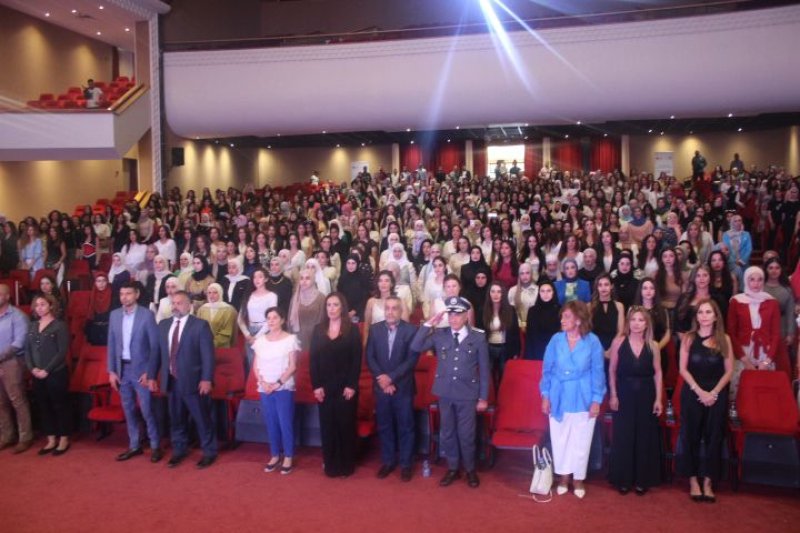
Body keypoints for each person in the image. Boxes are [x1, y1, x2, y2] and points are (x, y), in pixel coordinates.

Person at [410, 296, 490, 489]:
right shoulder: (440, 334)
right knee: (447, 433)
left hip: (467, 394)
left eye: (458, 314)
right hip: (445, 393)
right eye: (450, 314)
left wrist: (483, 397)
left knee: (466, 434)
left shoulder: (478, 337)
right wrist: (429, 324)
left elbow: (484, 369)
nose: (453, 318)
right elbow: (415, 346)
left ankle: (470, 469)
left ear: (466, 316)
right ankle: (453, 468)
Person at [540, 300, 606, 499]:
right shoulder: (555, 340)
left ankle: (578, 478)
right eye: (562, 316)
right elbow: (547, 370)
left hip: (583, 396)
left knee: (581, 441)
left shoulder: (593, 341)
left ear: (578, 320)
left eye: (567, 316)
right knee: (560, 439)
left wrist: (596, 400)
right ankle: (563, 477)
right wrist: (545, 395)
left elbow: (598, 372)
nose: (562, 320)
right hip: (559, 395)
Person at [148, 291, 217, 469]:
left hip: (194, 382)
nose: (175, 306)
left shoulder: (200, 325)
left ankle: (209, 452)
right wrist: (151, 376)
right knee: (176, 418)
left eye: (179, 303)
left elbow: (208, 356)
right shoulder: (163, 325)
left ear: (189, 305)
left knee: (201, 418)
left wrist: (206, 379)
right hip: (171, 380)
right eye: (173, 303)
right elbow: (156, 352)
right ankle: (179, 450)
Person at [677, 299, 733, 503]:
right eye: (701, 312)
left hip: (716, 394)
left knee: (714, 437)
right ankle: (693, 480)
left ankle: (708, 482)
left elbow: (729, 371)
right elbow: (683, 369)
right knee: (690, 436)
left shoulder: (724, 339)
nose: (704, 316)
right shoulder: (689, 338)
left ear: (716, 316)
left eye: (708, 312)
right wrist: (699, 391)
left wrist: (714, 393)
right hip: (693, 392)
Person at [608, 306, 663, 495]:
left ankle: (642, 479)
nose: (636, 323)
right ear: (628, 322)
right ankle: (623, 479)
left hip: (647, 395)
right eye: (633, 319)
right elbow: (612, 370)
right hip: (623, 394)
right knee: (624, 436)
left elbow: (658, 373)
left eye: (641, 320)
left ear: (647, 324)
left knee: (644, 437)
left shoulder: (653, 346)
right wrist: (613, 394)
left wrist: (658, 399)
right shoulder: (618, 342)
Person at [365, 296, 420, 481]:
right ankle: (388, 461)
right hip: (381, 387)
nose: (390, 312)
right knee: (384, 425)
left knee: (406, 427)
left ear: (401, 311)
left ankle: (406, 464)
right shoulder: (375, 329)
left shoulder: (411, 330)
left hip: (402, 388)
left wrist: (391, 378)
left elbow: (411, 360)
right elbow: (370, 357)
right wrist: (382, 379)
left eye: (394, 308)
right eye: (387, 308)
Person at [107, 282, 162, 462]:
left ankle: (155, 445)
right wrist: (111, 371)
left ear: (136, 294)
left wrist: (150, 372)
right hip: (122, 369)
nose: (124, 297)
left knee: (147, 410)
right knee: (128, 409)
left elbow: (155, 347)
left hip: (141, 371)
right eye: (122, 294)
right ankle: (134, 445)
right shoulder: (114, 315)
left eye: (128, 293)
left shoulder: (147, 315)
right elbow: (111, 345)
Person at [310, 293, 363, 478]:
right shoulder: (318, 330)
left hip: (346, 386)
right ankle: (331, 465)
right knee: (327, 425)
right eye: (329, 305)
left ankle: (346, 465)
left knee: (345, 425)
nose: (331, 308)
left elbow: (356, 359)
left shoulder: (352, 329)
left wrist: (352, 385)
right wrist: (316, 386)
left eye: (335, 305)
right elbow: (313, 360)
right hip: (324, 387)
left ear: (342, 307)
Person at [253, 307, 299, 475]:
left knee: (285, 422)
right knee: (271, 422)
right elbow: (255, 366)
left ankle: (288, 456)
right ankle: (274, 455)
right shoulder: (260, 341)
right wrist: (263, 383)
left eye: (275, 317)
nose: (271, 321)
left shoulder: (291, 339)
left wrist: (278, 383)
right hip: (265, 388)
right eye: (269, 318)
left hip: (283, 387)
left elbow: (293, 366)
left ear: (282, 320)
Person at [727, 266, 783, 397]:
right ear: (746, 281)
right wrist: (745, 360)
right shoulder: (736, 301)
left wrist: (767, 361)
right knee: (742, 391)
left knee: (765, 392)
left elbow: (775, 334)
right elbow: (731, 332)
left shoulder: (772, 302)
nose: (756, 283)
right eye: (752, 279)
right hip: (742, 352)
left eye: (759, 279)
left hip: (766, 352)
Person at [25, 294, 71, 455]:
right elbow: (28, 350)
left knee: (59, 405)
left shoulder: (59, 326)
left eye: (43, 304)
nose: (39, 308)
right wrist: (32, 369)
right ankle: (51, 438)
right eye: (36, 305)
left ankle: (64, 438)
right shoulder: (32, 325)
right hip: (37, 373)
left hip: (55, 372)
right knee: (43, 406)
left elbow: (62, 352)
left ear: (51, 306)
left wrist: (47, 370)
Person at [0, 283, 32, 453]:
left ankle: (25, 437)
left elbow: (19, 342)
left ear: (7, 296)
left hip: (13, 362)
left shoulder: (18, 316)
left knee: (17, 400)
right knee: (1, 402)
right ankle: (7, 435)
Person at [238, 269, 278, 374]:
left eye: (260, 276)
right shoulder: (249, 295)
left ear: (266, 279)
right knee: (251, 364)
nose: (257, 279)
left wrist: (257, 337)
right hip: (250, 332)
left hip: (265, 331)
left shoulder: (272, 296)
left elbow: (271, 319)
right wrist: (247, 335)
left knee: (263, 364)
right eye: (255, 277)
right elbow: (240, 318)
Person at [483, 282, 521, 387]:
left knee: (503, 375)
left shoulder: (510, 310)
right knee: (490, 377)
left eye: (499, 292)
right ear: (489, 293)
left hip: (505, 347)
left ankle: (500, 395)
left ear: (503, 294)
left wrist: (516, 351)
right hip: (489, 347)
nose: (496, 295)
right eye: (493, 291)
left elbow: (515, 332)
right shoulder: (484, 309)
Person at [524, 280, 561, 360]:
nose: (545, 294)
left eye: (548, 291)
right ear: (539, 293)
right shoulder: (532, 311)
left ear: (553, 292)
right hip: (536, 352)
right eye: (542, 291)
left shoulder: (560, 310)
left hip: (556, 352)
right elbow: (529, 336)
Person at [197, 283, 238, 348]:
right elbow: (198, 328)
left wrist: (212, 343)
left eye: (215, 292)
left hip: (221, 346)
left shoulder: (228, 309)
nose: (211, 295)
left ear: (220, 293)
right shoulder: (202, 309)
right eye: (209, 293)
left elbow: (227, 331)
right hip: (204, 345)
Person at [337, 254, 371, 322]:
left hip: (359, 311)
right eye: (348, 263)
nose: (350, 266)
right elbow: (340, 295)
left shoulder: (363, 278)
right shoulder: (342, 277)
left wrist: (354, 311)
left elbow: (365, 297)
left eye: (353, 263)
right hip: (345, 310)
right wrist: (345, 310)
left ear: (357, 264)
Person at [508, 262, 538, 329]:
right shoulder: (512, 291)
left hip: (534, 325)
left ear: (531, 274)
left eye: (527, 273)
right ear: (519, 275)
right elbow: (511, 312)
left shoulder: (537, 290)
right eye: (522, 273)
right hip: (516, 326)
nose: (525, 276)